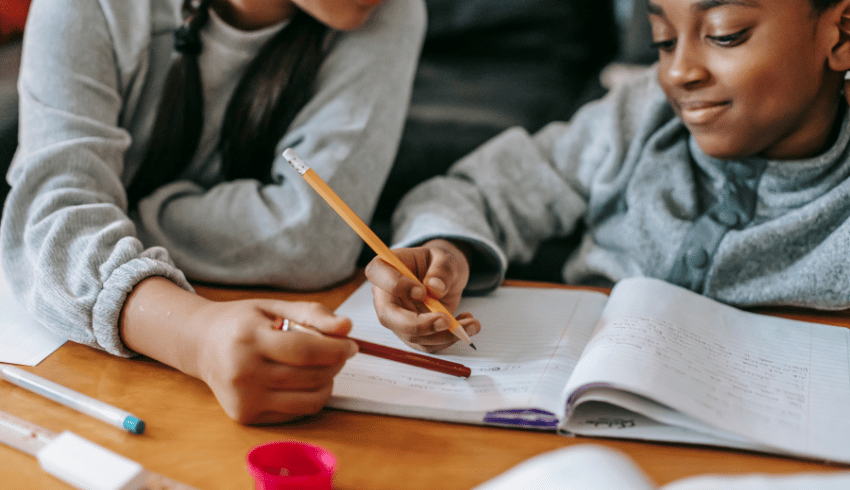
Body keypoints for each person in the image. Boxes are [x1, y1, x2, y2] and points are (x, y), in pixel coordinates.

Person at [1, 0, 425, 424]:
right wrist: (195, 333)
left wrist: (115, 216)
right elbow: (50, 224)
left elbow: (314, 236)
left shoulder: (390, 11)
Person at [365, 0, 850, 353]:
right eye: (663, 39)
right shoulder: (638, 115)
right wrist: (448, 250)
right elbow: (475, 191)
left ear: (841, 34)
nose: (679, 71)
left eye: (725, 34)